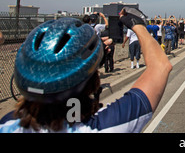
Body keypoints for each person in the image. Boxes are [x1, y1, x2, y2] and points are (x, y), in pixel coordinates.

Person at [0, 7, 172, 133]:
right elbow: (160, 66)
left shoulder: (7, 124)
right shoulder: (106, 125)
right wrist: (137, 25)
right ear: (91, 80)